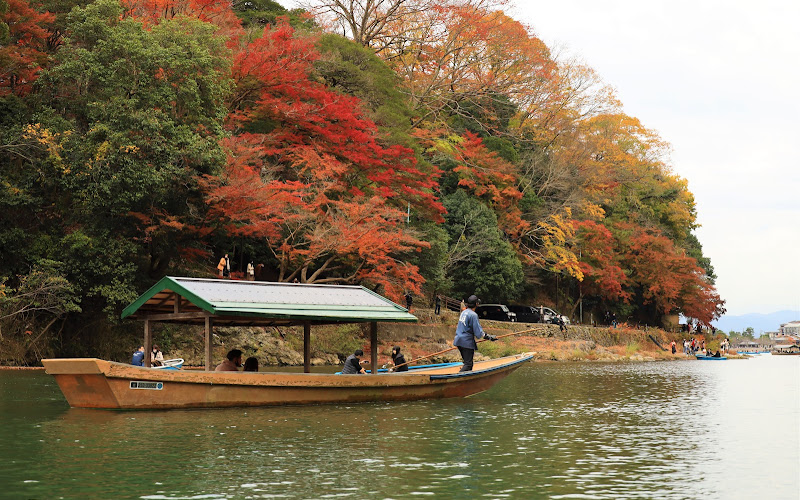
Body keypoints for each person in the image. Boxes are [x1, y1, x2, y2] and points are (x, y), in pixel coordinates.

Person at [453, 295, 497, 372]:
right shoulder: (473, 315)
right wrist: (489, 337)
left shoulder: (464, 312)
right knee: (468, 364)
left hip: (458, 340)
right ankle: (457, 378)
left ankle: (465, 381)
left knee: (467, 363)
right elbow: (478, 332)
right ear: (476, 304)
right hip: (466, 342)